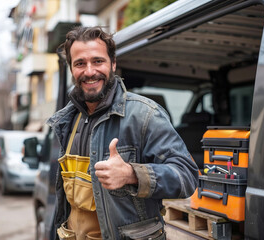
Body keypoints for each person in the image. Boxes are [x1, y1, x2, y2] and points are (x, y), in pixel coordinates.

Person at [47, 26, 199, 240]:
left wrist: (132, 174)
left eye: (98, 61)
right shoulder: (67, 120)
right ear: (72, 69)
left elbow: (187, 177)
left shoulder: (145, 115)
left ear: (113, 64)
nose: (89, 71)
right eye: (80, 63)